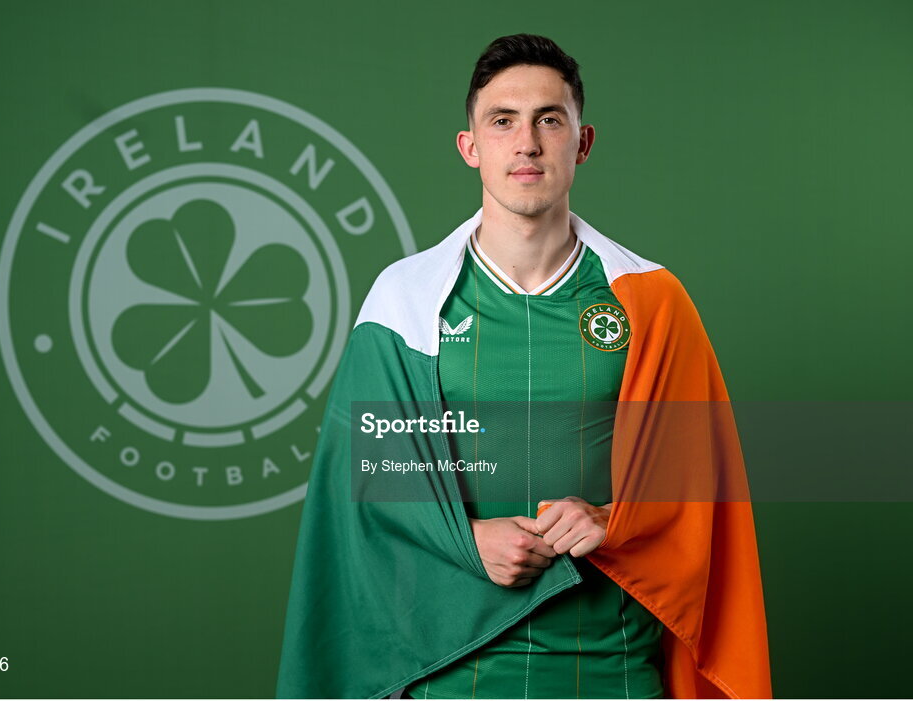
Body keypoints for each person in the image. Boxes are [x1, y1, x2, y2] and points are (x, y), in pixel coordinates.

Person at [276, 34, 771, 700]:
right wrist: (465, 538)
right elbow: (361, 481)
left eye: (549, 120)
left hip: (613, 669)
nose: (527, 143)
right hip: (449, 672)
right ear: (470, 147)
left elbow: (700, 485)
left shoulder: (651, 299)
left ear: (582, 142)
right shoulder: (405, 300)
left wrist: (613, 520)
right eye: (503, 121)